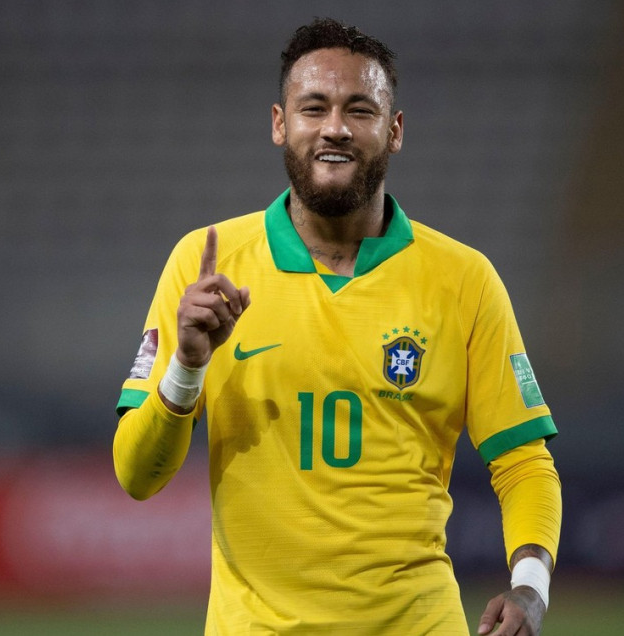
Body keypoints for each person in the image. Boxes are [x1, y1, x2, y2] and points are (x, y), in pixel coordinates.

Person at [113, 17, 562, 635]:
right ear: (279, 123)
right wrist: (188, 366)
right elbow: (137, 476)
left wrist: (530, 588)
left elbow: (523, 461)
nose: (334, 128)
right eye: (313, 107)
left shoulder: (464, 280)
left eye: (360, 109)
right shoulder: (203, 267)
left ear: (394, 130)